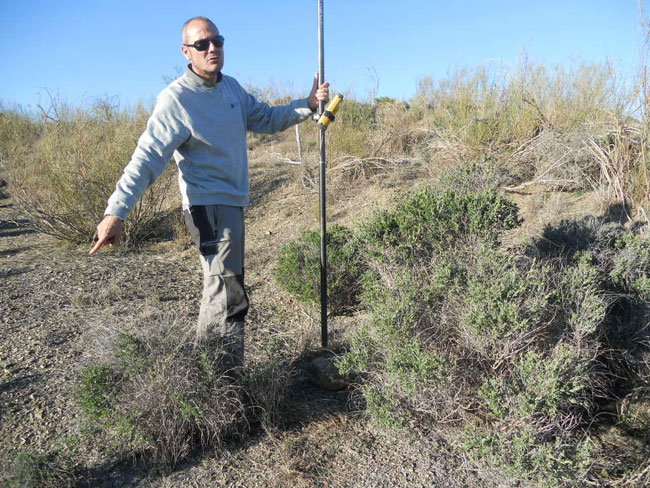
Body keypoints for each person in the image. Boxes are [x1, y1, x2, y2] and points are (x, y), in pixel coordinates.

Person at [89, 16, 330, 370]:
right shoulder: (177, 99)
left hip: (231, 204)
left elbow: (265, 117)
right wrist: (116, 211)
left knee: (224, 289)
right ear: (187, 51)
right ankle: (217, 384)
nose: (212, 48)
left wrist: (307, 105)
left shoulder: (230, 88)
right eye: (202, 44)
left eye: (217, 41)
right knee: (228, 292)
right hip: (208, 207)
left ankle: (213, 380)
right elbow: (147, 158)